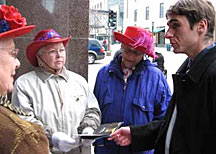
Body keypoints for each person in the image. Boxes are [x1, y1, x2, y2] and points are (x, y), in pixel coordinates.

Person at [109, 0, 216, 154]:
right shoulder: (188, 68)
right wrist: (135, 134)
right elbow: (176, 126)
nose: (167, 34)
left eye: (175, 26)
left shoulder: (211, 73)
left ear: (201, 26)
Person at [11, 29, 101, 154]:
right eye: (53, 51)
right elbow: (23, 120)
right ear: (39, 56)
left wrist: (89, 127)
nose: (59, 55)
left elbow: (92, 110)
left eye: (62, 50)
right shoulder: (24, 84)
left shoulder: (79, 81)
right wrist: (52, 137)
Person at [93, 26, 172, 154]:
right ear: (122, 47)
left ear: (144, 54)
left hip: (141, 151)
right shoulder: (104, 74)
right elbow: (94, 111)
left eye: (136, 53)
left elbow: (165, 119)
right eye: (127, 50)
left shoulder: (156, 77)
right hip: (107, 149)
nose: (130, 56)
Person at [0, 4, 50, 154]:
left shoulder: (78, 81)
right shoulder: (22, 136)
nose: (17, 63)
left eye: (61, 50)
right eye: (12, 54)